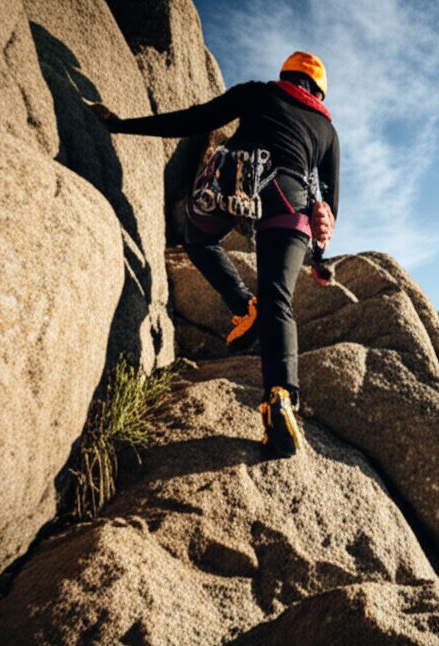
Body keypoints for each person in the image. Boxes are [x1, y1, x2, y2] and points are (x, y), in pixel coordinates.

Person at [92, 51, 339, 459]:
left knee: (198, 240)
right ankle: (280, 398)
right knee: (278, 297)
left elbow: (195, 119)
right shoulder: (328, 132)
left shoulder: (258, 93)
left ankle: (244, 306)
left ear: (286, 76)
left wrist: (122, 126)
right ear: (319, 92)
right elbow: (329, 200)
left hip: (235, 188)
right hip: (291, 204)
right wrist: (319, 256)